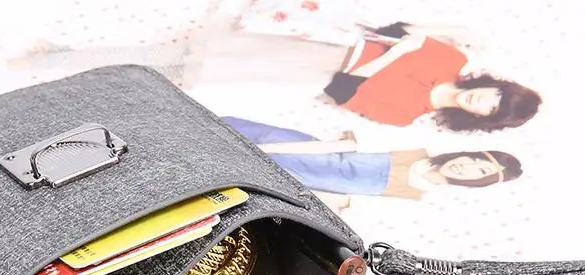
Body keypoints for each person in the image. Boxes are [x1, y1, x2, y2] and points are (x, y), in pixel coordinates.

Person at [224, 117, 522, 201]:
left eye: (479, 173)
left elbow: (341, 198)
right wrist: (269, 151)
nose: (467, 167)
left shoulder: (414, 195)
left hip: (289, 180)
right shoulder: (413, 147)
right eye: (475, 160)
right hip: (290, 148)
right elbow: (336, 147)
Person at [323, 32, 540, 131]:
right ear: (494, 86)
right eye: (498, 95)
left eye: (492, 108)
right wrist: (460, 32)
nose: (482, 99)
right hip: (340, 37)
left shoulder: (403, 117)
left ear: (480, 117)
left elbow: (338, 90)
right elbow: (394, 30)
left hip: (320, 75)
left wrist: (396, 53)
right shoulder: (455, 59)